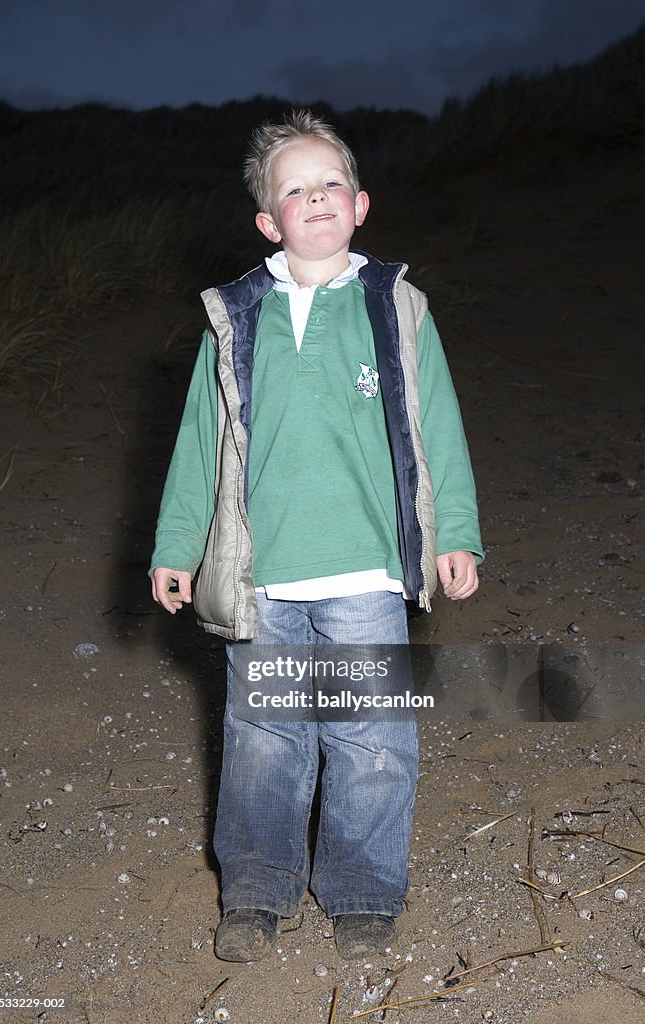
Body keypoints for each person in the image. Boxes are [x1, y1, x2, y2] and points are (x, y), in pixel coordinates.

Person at [150, 109, 483, 962]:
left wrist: (455, 533)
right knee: (264, 742)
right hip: (263, 574)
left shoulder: (396, 306)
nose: (317, 197)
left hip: (366, 570)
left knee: (371, 739)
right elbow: (202, 439)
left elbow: (434, 426)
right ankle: (256, 893)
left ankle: (363, 891)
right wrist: (175, 544)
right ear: (269, 220)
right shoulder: (235, 318)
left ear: (361, 202)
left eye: (331, 181)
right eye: (294, 189)